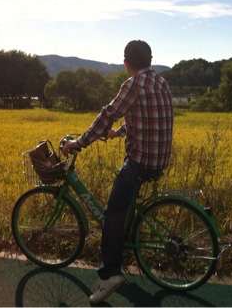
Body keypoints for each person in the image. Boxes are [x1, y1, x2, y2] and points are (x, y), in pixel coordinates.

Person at [62, 40, 173, 304]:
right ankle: (124, 245)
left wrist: (79, 142)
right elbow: (147, 118)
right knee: (122, 211)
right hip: (159, 160)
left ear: (126, 64)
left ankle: (109, 275)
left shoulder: (133, 84)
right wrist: (120, 131)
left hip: (140, 163)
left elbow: (108, 113)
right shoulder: (161, 82)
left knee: (111, 215)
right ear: (150, 59)